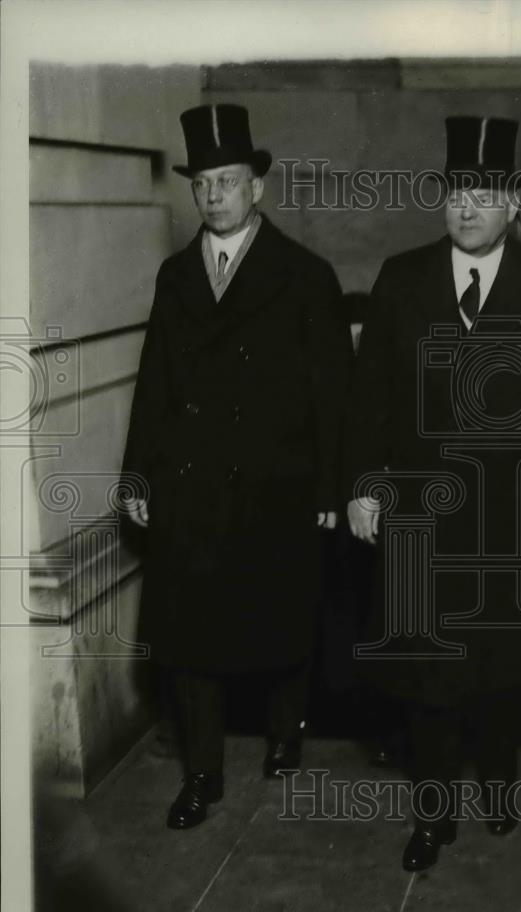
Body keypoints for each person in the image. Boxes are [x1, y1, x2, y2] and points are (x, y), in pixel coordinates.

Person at [345, 116, 521, 871]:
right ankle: (433, 816)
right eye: (459, 192)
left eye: (486, 195)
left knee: (502, 664)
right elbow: (369, 400)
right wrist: (362, 487)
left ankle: (496, 784)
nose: (469, 208)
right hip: (424, 515)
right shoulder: (402, 279)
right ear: (443, 200)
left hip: (512, 514)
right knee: (428, 668)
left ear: (514, 207)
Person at [121, 103, 352, 830]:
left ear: (257, 186)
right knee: (190, 634)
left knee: (279, 618)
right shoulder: (175, 275)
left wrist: (330, 486)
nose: (214, 194)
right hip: (191, 483)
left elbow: (333, 392)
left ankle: (287, 733)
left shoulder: (306, 275)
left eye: (228, 180)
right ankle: (202, 774)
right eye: (203, 184)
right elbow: (154, 382)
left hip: (273, 483)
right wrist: (137, 475)